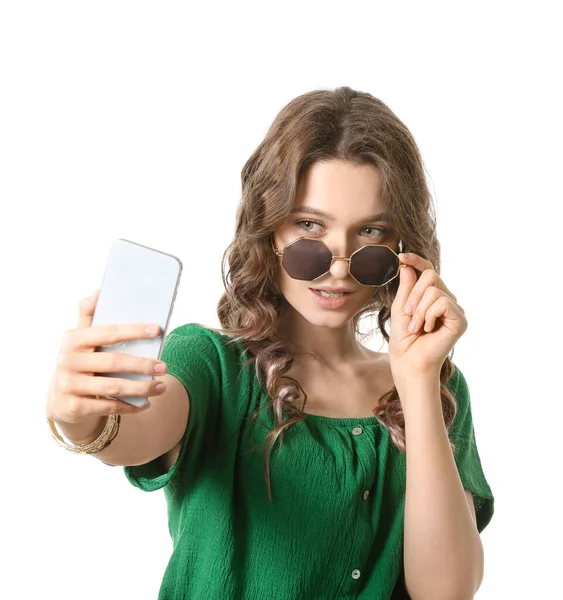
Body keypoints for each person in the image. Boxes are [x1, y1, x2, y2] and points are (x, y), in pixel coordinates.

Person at [46, 86, 494, 600]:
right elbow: (131, 431)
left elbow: (447, 590)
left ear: (402, 247)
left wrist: (416, 382)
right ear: (269, 229)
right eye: (310, 226)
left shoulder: (435, 386)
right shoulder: (213, 365)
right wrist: (79, 414)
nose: (341, 266)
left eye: (370, 232)